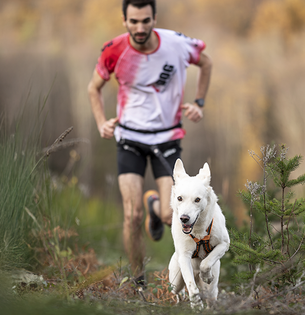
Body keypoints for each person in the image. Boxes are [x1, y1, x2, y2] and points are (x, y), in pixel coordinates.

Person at [86, 0, 212, 287]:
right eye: (134, 21)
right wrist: (100, 122)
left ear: (155, 18)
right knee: (131, 214)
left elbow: (206, 62)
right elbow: (93, 87)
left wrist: (200, 103)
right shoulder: (114, 49)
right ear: (124, 20)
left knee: (172, 215)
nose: (140, 28)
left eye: (146, 21)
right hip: (129, 137)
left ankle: (157, 207)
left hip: (167, 138)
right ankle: (138, 282)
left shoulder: (177, 44)